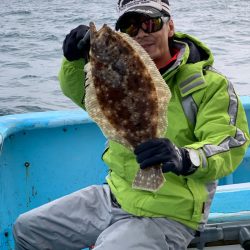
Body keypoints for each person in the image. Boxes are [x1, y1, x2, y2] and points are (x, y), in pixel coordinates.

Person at [13, 0, 250, 249]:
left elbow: (230, 144)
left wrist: (185, 157)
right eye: (130, 27)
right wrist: (73, 59)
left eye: (151, 23)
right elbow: (84, 94)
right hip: (117, 195)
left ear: (170, 28)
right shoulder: (113, 69)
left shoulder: (210, 85)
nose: (142, 33)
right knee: (27, 229)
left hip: (171, 212)